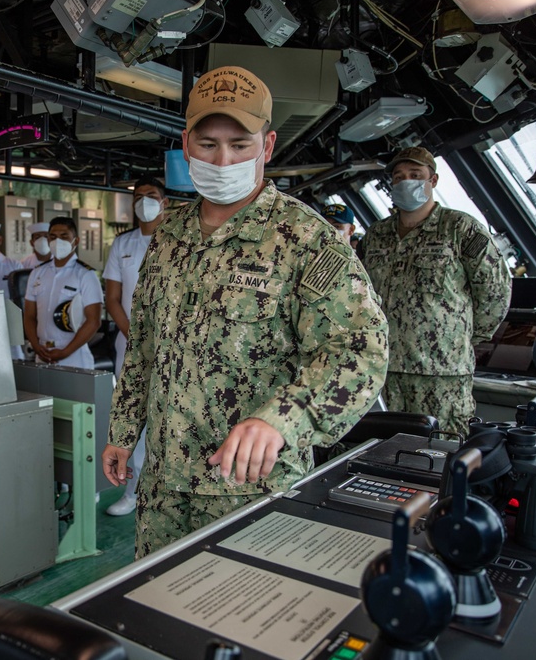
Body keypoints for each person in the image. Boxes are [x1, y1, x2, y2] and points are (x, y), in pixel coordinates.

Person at [102, 65, 389, 558]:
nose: (223, 158)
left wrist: (282, 420)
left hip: (250, 490)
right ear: (187, 144)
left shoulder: (303, 239)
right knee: (159, 615)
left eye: (239, 145)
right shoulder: (168, 237)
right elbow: (144, 346)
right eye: (209, 144)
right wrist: (124, 433)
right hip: (165, 485)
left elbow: (362, 351)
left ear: (268, 146)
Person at [361, 146, 511, 437]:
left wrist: (460, 339)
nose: (406, 181)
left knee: (442, 451)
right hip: (383, 368)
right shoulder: (376, 236)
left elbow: (495, 292)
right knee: (380, 449)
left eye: (415, 175)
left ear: (433, 180)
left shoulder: (460, 229)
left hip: (442, 372)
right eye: (398, 176)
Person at [100, 175, 169, 517]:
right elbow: (112, 299)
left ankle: (164, 489)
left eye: (152, 196)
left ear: (165, 202)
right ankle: (132, 491)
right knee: (130, 416)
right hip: (129, 346)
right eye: (139, 197)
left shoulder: (175, 240)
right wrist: (136, 336)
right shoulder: (122, 245)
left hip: (172, 347)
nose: (145, 202)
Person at [23, 216, 103, 369]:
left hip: (74, 355)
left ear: (76, 241)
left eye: (64, 236)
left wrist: (65, 352)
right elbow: (29, 316)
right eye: (52, 237)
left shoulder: (85, 274)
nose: (57, 241)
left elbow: (94, 321)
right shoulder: (37, 273)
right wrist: (36, 346)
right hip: (43, 353)